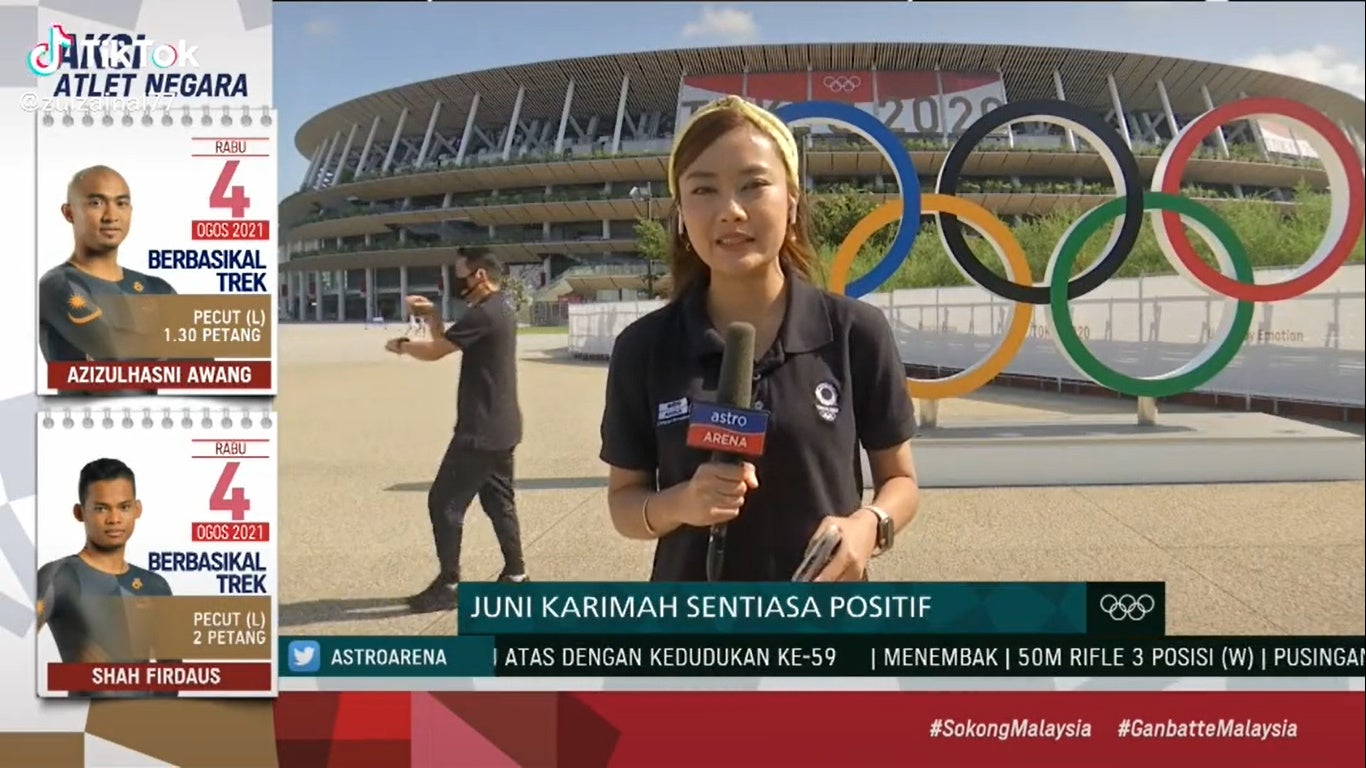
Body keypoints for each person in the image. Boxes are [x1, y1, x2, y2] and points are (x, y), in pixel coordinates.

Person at [599, 96, 922, 582]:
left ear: (791, 201)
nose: (731, 211)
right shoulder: (643, 348)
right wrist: (682, 503)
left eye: (754, 185)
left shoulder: (856, 333)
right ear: (682, 212)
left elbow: (900, 480)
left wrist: (869, 525)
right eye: (704, 190)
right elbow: (625, 502)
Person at [384, 248, 529, 612]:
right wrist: (432, 315)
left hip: (480, 430)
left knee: (443, 502)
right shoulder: (500, 307)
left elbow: (435, 352)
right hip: (503, 425)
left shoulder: (484, 313)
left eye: (460, 273)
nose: (455, 280)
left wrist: (402, 346)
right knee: (499, 502)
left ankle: (448, 584)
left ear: (479, 275)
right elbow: (447, 341)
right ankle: (516, 577)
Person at [36, 458, 173, 667]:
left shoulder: (156, 585)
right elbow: (11, 640)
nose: (114, 519)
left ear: (137, 509)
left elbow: (173, 677)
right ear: (79, 513)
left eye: (124, 507)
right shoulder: (58, 577)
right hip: (85, 701)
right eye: (101, 508)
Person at [38, 166, 177, 365]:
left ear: (130, 210)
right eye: (96, 203)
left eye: (121, 203)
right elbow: (114, 351)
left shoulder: (157, 287)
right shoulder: (58, 285)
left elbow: (202, 363)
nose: (111, 216)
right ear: (69, 213)